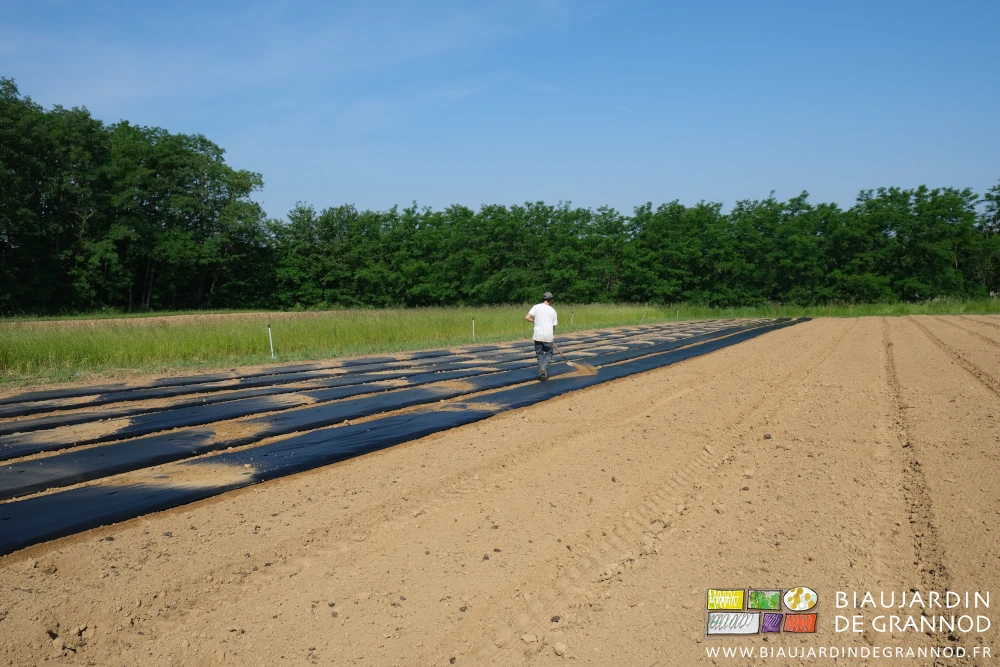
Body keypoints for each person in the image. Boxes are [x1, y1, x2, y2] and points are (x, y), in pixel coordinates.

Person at [525, 292, 558, 380]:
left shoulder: (536, 307)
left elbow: (527, 317)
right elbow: (553, 326)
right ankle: (543, 368)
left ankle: (541, 372)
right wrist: (552, 336)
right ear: (551, 300)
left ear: (543, 299)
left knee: (539, 354)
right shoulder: (553, 311)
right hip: (548, 336)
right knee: (549, 353)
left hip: (537, 335)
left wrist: (534, 321)